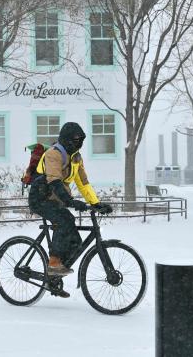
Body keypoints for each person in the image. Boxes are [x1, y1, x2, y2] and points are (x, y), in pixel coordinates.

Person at [28, 122, 113, 285]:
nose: (79, 143)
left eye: (81, 140)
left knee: (75, 241)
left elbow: (83, 182)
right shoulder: (54, 154)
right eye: (75, 139)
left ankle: (54, 277)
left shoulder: (76, 158)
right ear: (66, 139)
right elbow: (54, 181)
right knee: (63, 220)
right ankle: (53, 263)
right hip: (40, 198)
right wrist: (70, 201)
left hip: (56, 199)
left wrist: (96, 203)